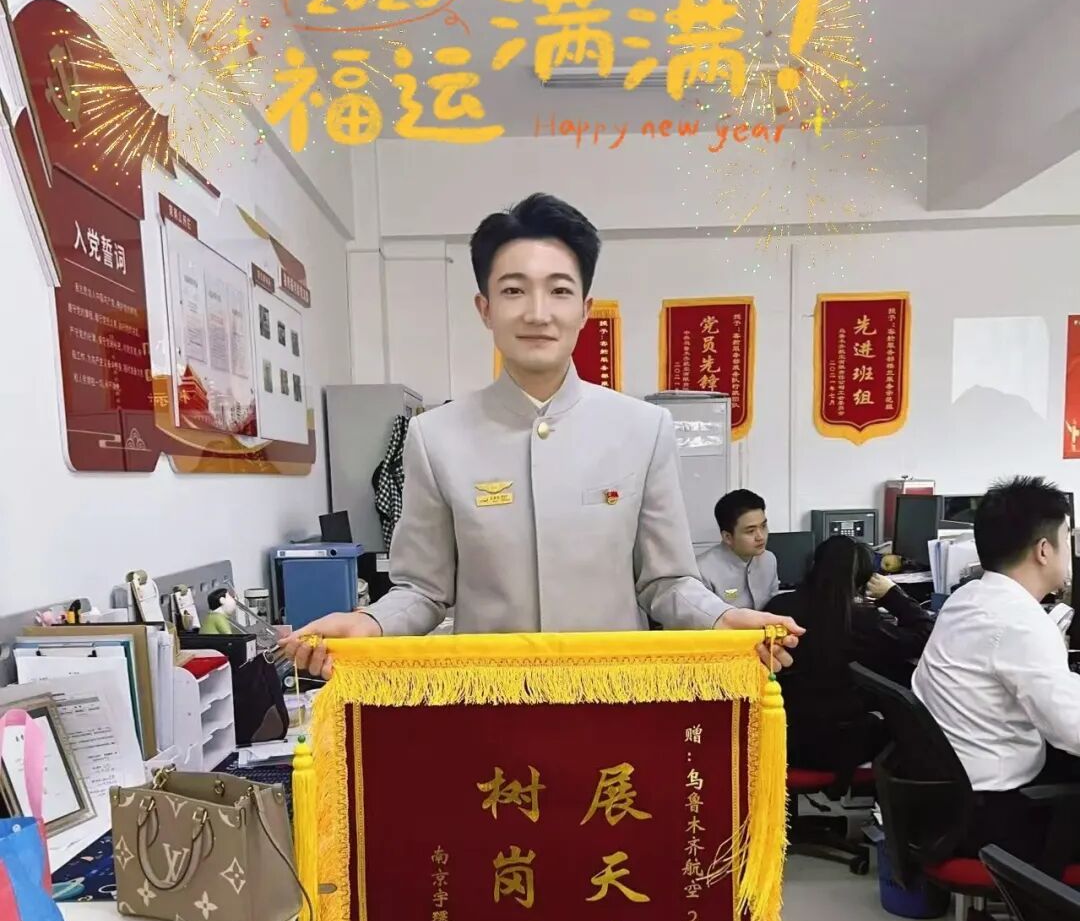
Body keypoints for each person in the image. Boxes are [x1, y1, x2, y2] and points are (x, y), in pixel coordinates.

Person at [285, 193, 801, 680]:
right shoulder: (435, 436)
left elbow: (666, 582)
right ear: (485, 308)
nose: (537, 312)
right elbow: (423, 590)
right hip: (490, 704)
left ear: (585, 308)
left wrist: (720, 618)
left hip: (615, 700)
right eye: (513, 290)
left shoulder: (642, 429)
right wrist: (369, 623)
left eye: (559, 290)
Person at [913, 477, 1080, 862]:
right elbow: (1072, 730)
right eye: (1066, 538)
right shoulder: (1022, 623)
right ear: (1044, 550)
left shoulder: (967, 597)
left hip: (947, 801)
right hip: (993, 818)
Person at [766, 534, 933, 781]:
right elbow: (926, 635)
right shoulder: (863, 622)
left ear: (814, 566)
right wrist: (893, 595)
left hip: (782, 740)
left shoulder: (778, 610)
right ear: (861, 580)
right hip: (843, 747)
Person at [698, 489, 779, 609]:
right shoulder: (703, 571)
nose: (761, 536)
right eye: (751, 531)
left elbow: (774, 606)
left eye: (763, 526)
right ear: (728, 537)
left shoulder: (769, 560)